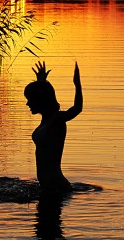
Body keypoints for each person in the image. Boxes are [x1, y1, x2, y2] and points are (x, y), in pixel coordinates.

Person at [24, 61, 82, 196]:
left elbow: (77, 109)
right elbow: (44, 93)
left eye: (30, 99)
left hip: (57, 187)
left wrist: (77, 84)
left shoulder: (56, 119)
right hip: (48, 188)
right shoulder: (46, 119)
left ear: (40, 100)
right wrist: (42, 82)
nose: (27, 103)